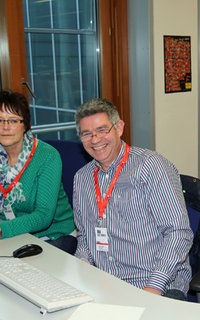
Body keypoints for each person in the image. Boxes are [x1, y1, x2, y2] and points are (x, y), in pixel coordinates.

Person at [72, 98, 193, 300]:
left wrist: (153, 288)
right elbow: (85, 235)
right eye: (87, 134)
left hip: (153, 283)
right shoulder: (82, 178)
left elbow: (178, 233)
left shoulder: (151, 167)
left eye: (102, 130)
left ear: (119, 128)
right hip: (104, 283)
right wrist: (82, 264)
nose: (95, 140)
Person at [0, 90, 77, 254]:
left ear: (25, 125)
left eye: (13, 120)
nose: (5, 127)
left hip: (53, 235)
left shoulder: (47, 156)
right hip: (12, 234)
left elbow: (43, 216)